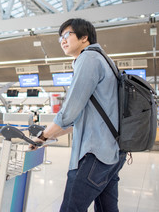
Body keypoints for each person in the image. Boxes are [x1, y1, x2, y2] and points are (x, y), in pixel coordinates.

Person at [32, 18, 126, 212]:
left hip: (95, 154)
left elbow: (69, 111)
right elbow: (80, 120)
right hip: (113, 151)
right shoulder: (105, 60)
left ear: (84, 37)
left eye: (67, 35)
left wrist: (42, 136)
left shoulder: (88, 58)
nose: (63, 40)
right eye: (60, 38)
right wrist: (50, 134)